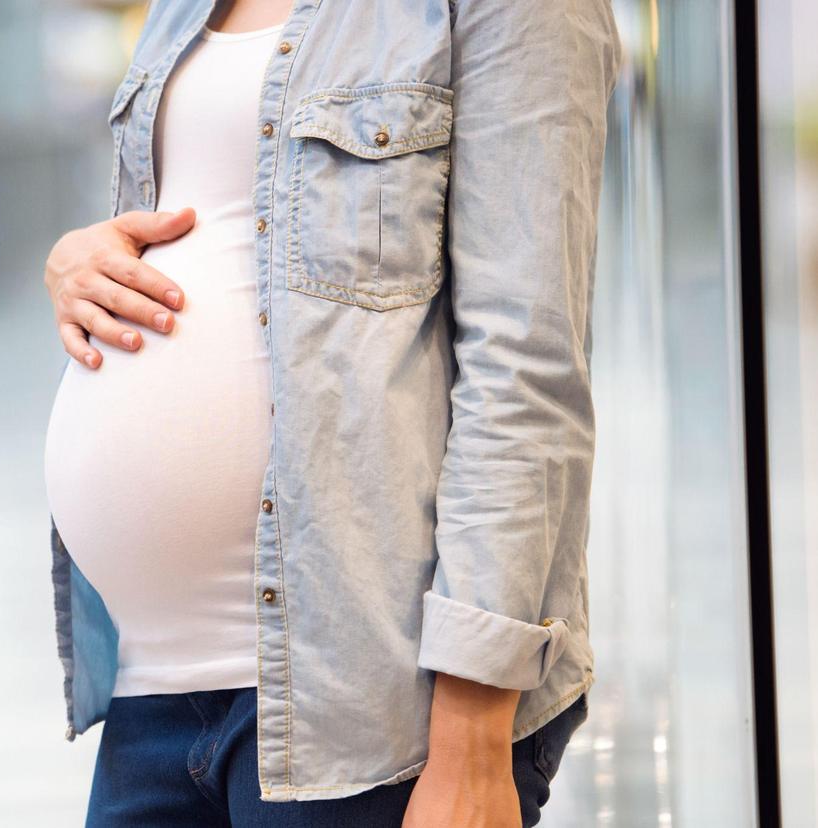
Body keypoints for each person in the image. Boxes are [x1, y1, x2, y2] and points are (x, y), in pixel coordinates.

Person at [42, 0, 621, 824]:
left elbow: (526, 365)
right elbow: (228, 219)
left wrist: (473, 737)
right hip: (155, 696)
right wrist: (80, 261)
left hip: (370, 713)